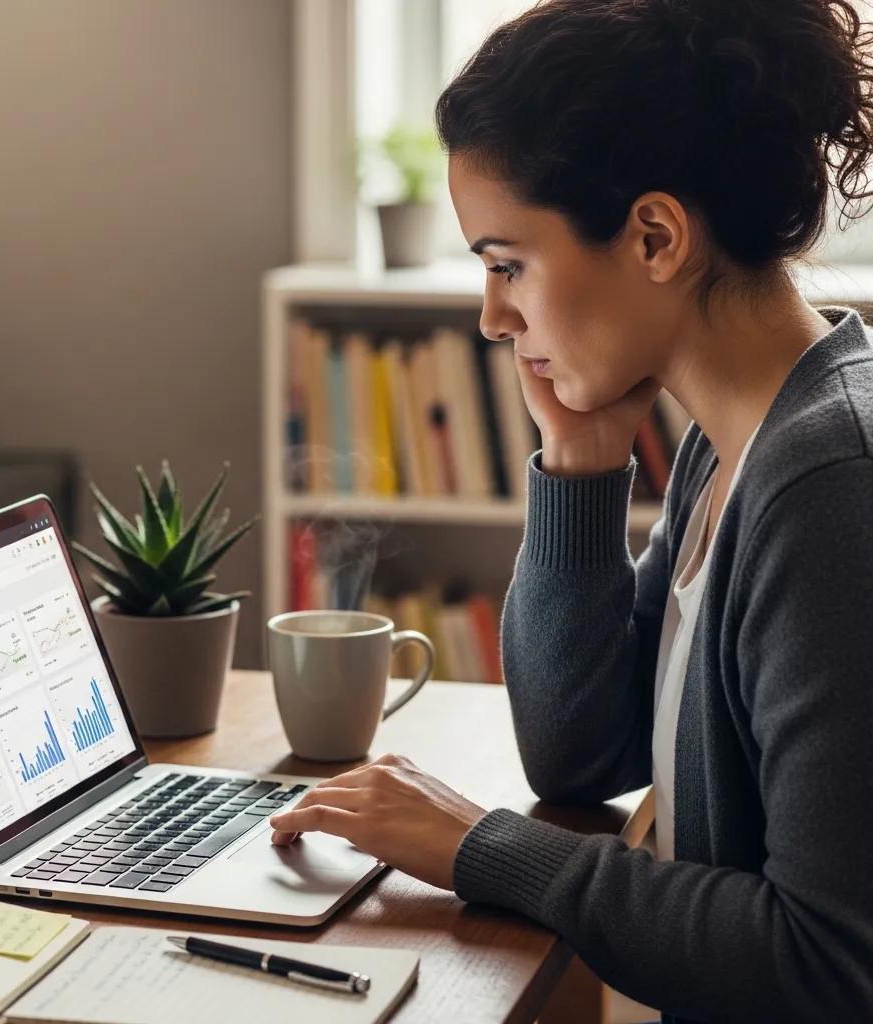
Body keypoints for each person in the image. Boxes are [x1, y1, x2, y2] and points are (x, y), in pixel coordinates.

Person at [268, 1, 873, 1020]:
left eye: (507, 264)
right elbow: (580, 750)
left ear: (653, 235)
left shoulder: (829, 486)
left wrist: (478, 847)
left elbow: (825, 962)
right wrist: (582, 466)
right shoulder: (732, 448)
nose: (491, 315)